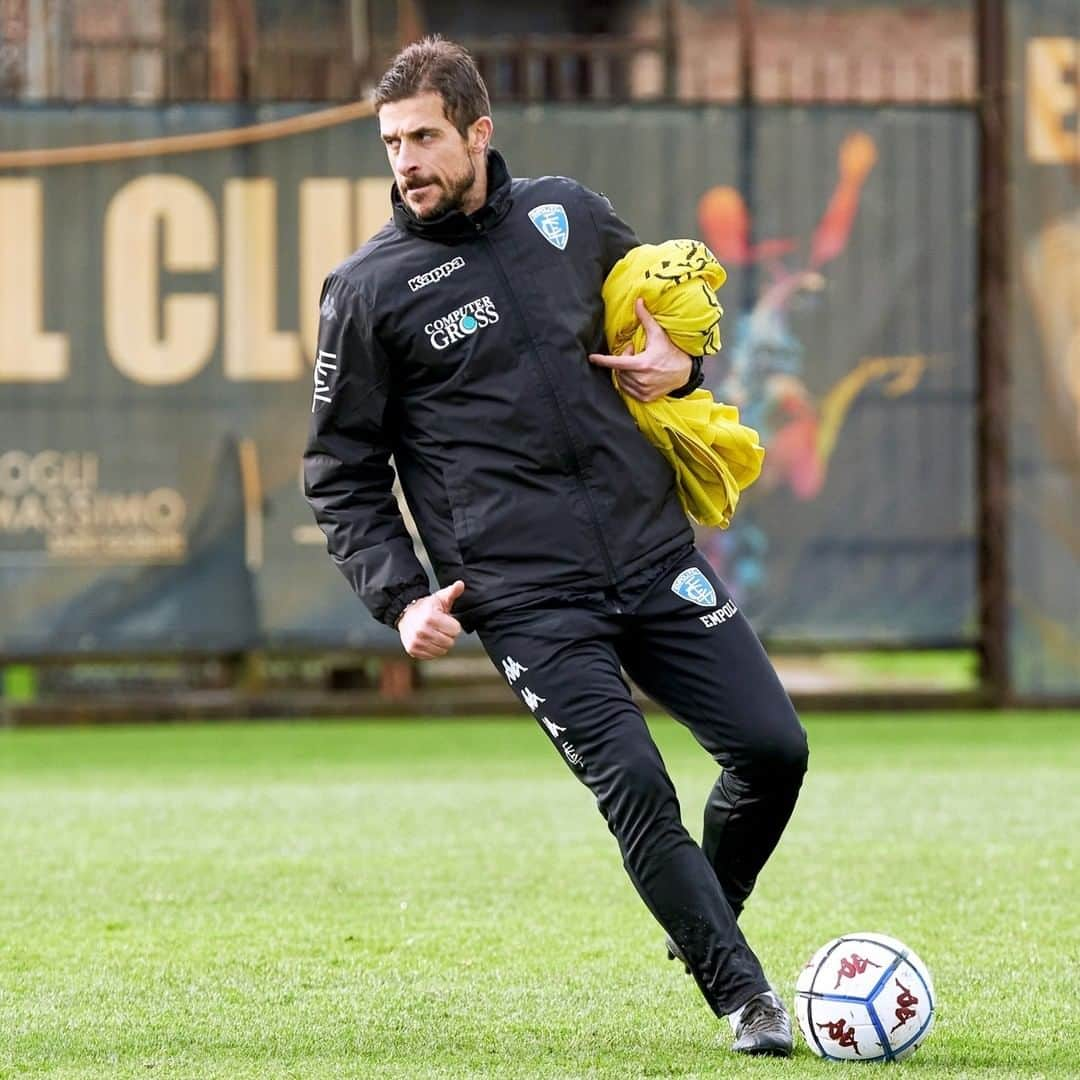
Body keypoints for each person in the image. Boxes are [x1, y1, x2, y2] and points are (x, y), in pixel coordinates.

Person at [303, 35, 808, 1057]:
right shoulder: (367, 291)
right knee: (636, 782)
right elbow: (340, 469)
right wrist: (400, 596)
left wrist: (681, 355)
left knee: (774, 751)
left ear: (480, 131)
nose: (407, 162)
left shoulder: (570, 217)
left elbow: (666, 324)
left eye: (426, 138)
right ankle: (742, 995)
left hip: (652, 551)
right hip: (528, 598)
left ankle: (701, 913)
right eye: (392, 142)